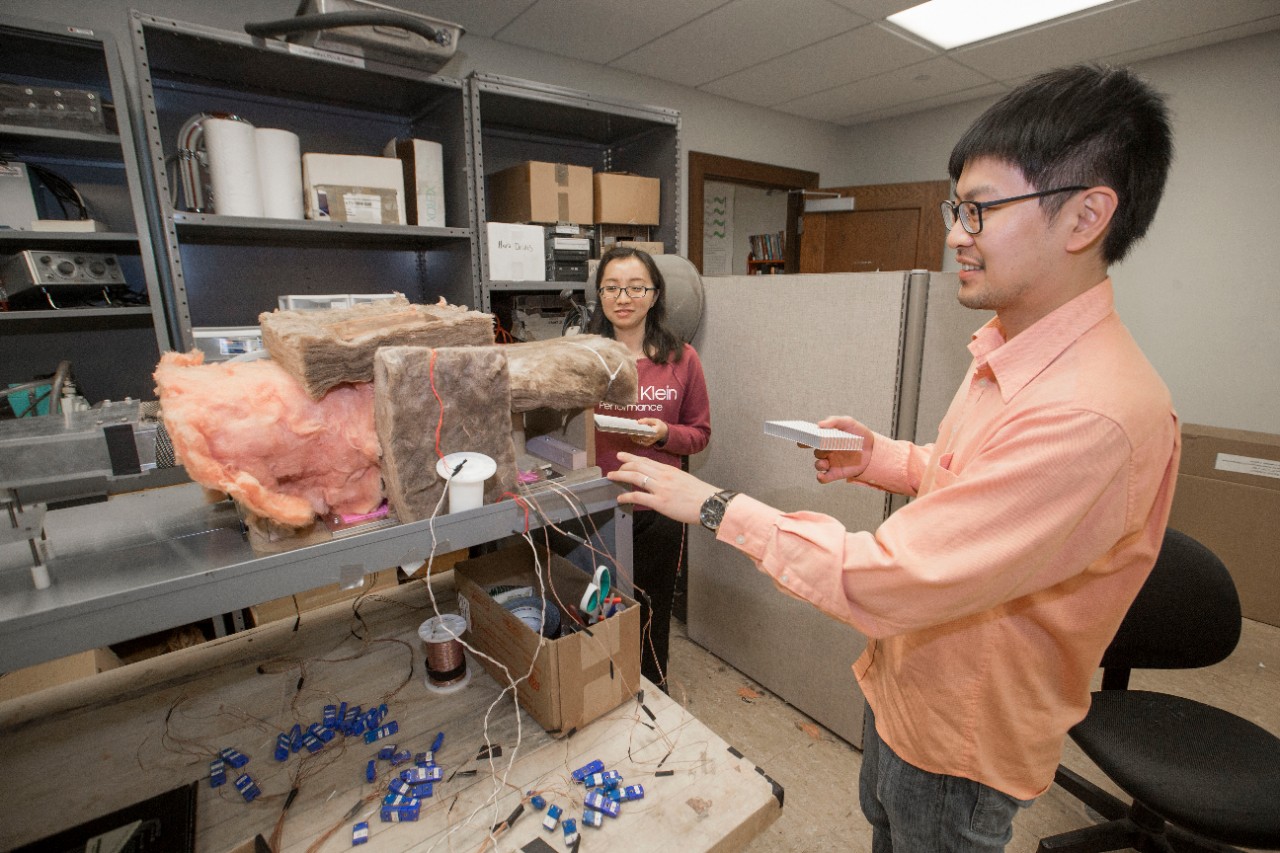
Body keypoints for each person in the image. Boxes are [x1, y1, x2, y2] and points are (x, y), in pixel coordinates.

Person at [606, 63, 1179, 852]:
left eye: (979, 210)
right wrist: (881, 457)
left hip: (959, 730)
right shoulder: (1012, 355)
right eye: (957, 208)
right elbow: (972, 472)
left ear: (1085, 216)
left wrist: (710, 504)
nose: (954, 234)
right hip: (904, 682)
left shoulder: (1093, 412)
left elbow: (895, 575)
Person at [584, 247, 710, 691]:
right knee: (597, 604)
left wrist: (664, 435)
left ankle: (653, 687)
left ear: (654, 295)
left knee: (651, 606)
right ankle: (599, 687)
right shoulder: (582, 357)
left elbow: (699, 433)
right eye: (612, 287)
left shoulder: (682, 358)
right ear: (599, 295)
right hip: (595, 505)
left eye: (636, 287)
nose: (624, 297)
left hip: (659, 503)